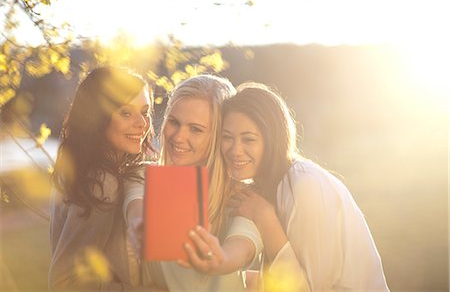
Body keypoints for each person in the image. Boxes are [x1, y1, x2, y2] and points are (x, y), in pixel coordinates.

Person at [221, 82, 390, 291]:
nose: (235, 150)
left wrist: (266, 219)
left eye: (248, 139)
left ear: (272, 139)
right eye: (227, 137)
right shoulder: (270, 186)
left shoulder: (305, 185)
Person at [123, 75, 263, 291]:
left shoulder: (244, 197)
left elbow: (243, 245)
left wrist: (220, 260)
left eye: (195, 129)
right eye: (174, 122)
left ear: (217, 135)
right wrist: (141, 224)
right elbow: (136, 207)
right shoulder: (143, 175)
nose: (178, 137)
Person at [49, 66, 154, 291]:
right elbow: (65, 283)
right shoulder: (102, 183)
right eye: (126, 113)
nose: (142, 123)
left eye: (144, 112)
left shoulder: (82, 169)